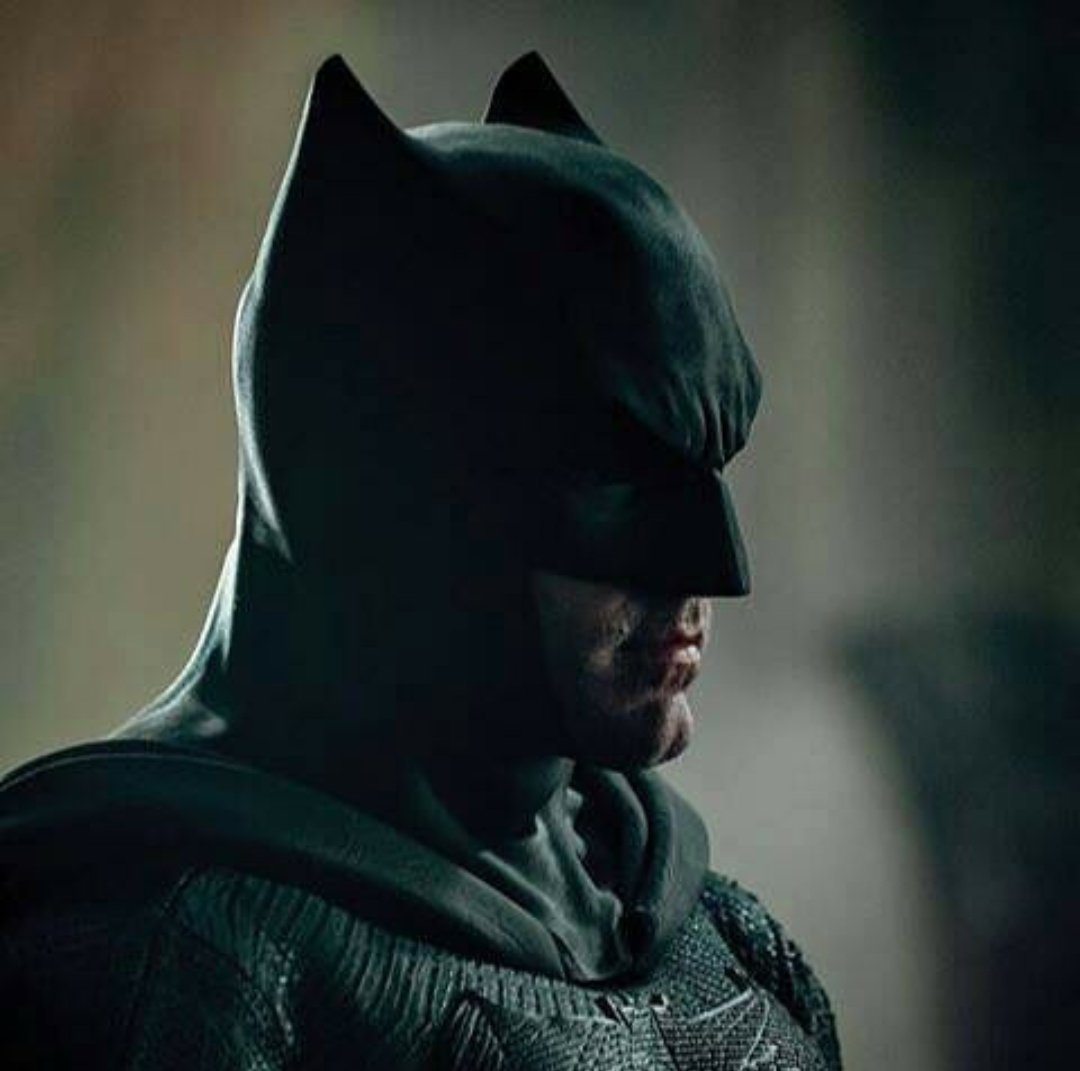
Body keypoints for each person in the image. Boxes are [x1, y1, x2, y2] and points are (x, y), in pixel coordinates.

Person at [0, 52, 841, 1069]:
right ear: (398, 494)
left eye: (706, 470)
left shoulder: (716, 935)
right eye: (616, 482)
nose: (712, 571)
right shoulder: (153, 965)